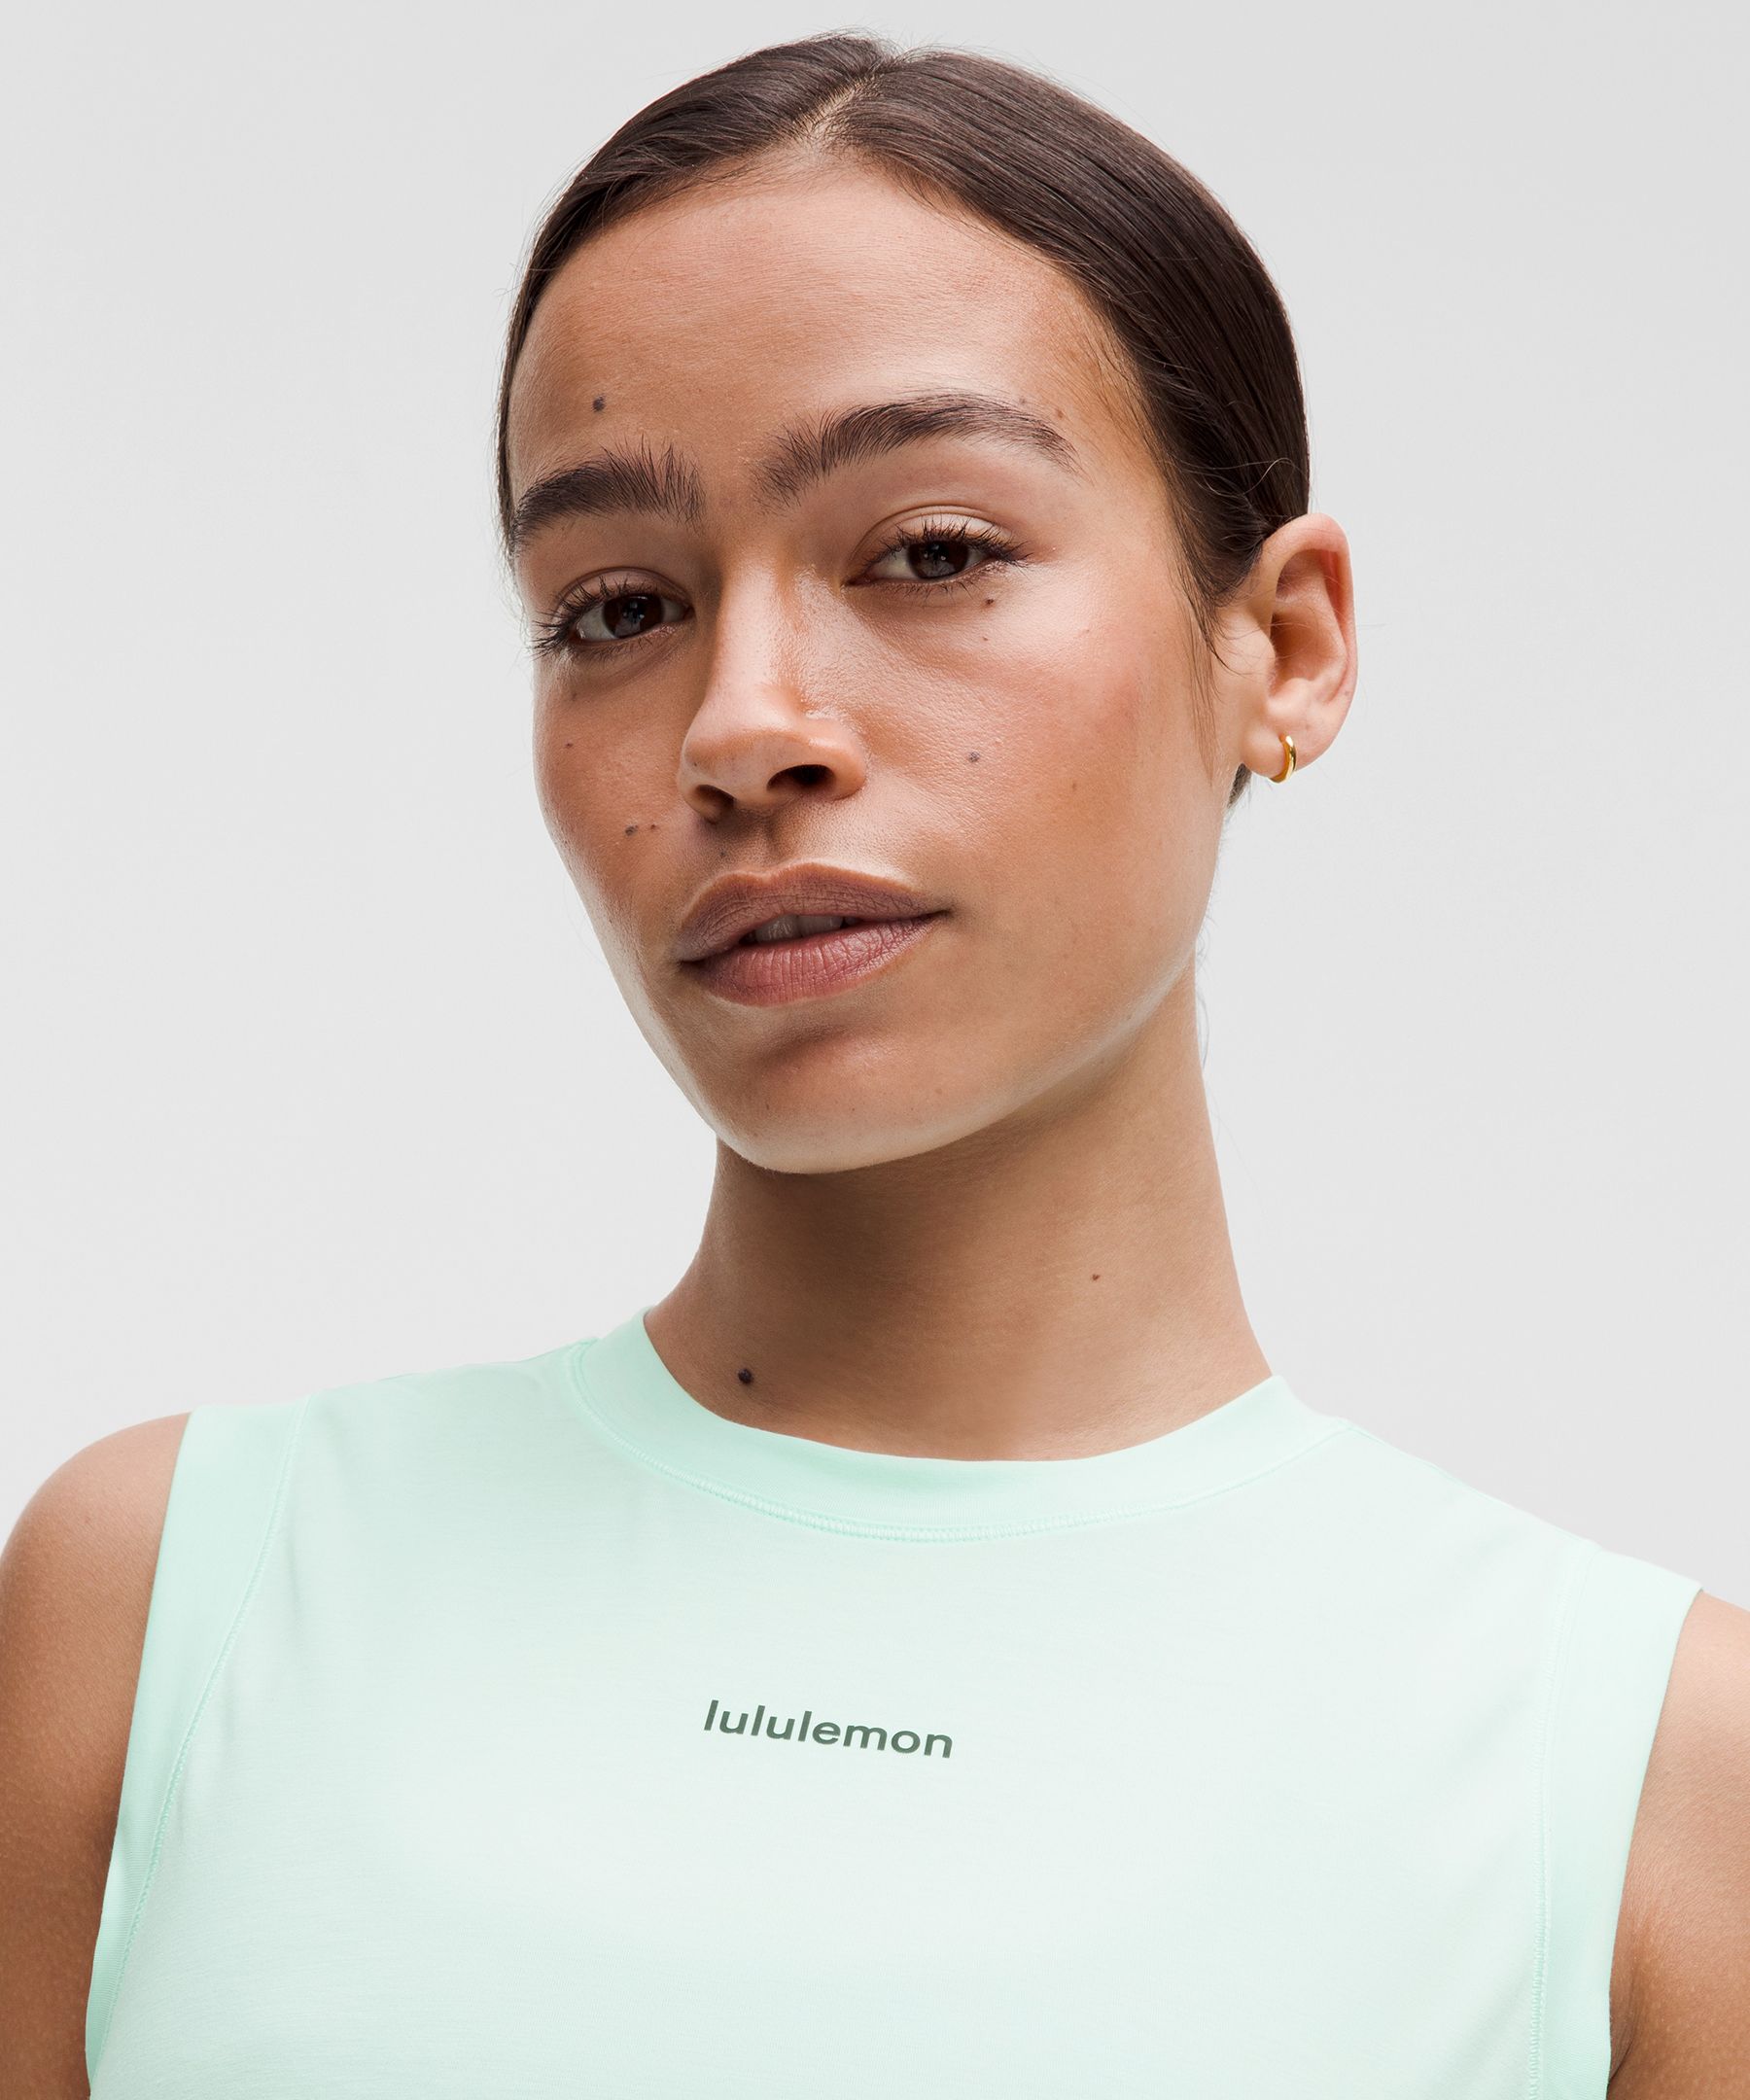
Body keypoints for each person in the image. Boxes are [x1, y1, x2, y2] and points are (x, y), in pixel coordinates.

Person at [3, 30, 1745, 2099]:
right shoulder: (161, 1609)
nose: (743, 724)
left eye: (931, 552)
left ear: (1284, 647)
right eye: (615, 607)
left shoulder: (1640, 1789)